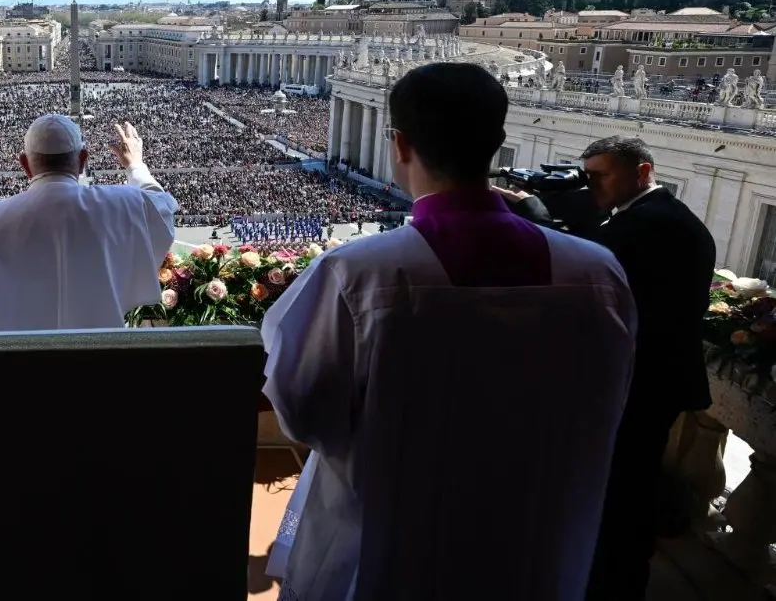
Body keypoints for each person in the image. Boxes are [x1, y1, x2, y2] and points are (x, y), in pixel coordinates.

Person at [261, 63, 637, 601]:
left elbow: (302, 412)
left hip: (387, 541)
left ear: (400, 144)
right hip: (534, 541)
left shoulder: (357, 273)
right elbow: (610, 398)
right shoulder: (598, 273)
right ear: (498, 143)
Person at [498, 136, 716, 600]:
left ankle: (616, 584)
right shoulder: (649, 218)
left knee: (624, 493)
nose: (591, 186)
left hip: (643, 382)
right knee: (619, 487)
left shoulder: (657, 224)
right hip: (641, 378)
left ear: (642, 173)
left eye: (601, 176)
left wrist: (535, 213)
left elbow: (586, 259)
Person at [0, 115, 177, 331]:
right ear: (83, 160)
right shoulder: (120, 204)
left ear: (24, 164)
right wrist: (135, 165)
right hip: (98, 356)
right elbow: (162, 209)